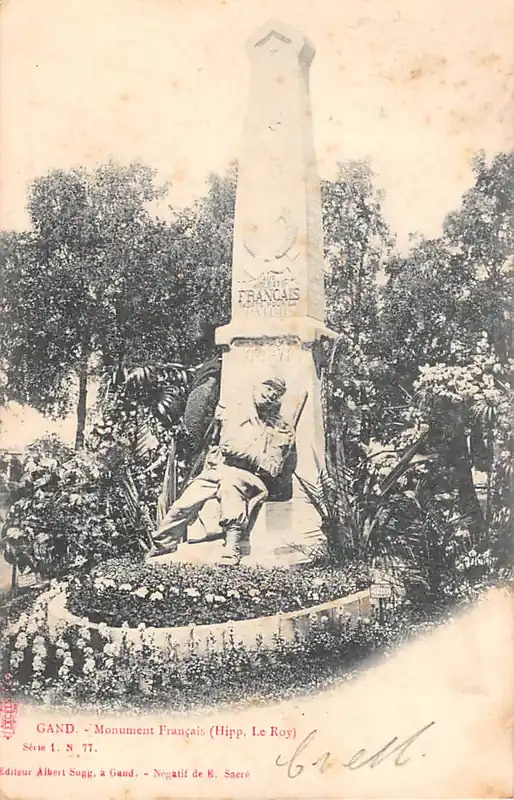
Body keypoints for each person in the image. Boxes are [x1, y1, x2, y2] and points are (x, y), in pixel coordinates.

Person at [147, 377, 305, 566]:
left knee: (231, 486)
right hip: (218, 471)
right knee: (182, 505)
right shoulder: (237, 416)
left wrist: (247, 454)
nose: (271, 394)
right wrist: (254, 455)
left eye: (276, 393)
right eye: (268, 388)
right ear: (255, 388)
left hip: (249, 477)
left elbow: (272, 467)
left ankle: (232, 546)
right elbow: (227, 446)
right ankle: (162, 544)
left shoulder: (279, 430)